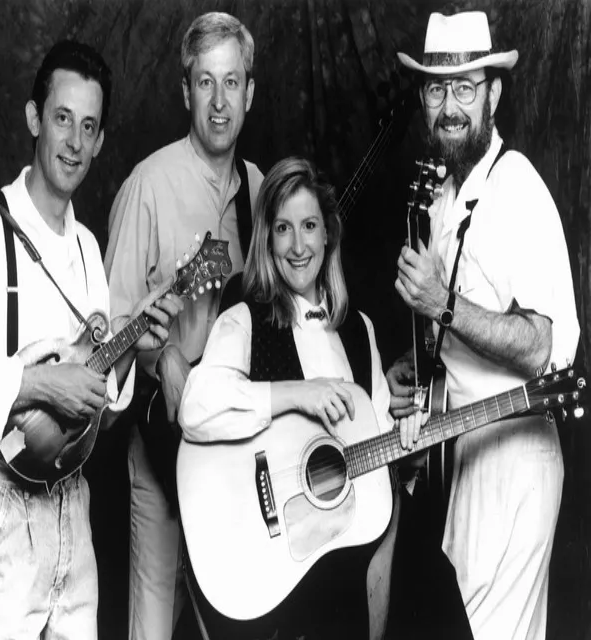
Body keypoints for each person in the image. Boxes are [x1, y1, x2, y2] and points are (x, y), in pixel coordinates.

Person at [177, 156, 473, 640]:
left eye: (309, 226)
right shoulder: (245, 320)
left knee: (432, 574)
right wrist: (300, 394)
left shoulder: (359, 332)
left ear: (328, 235)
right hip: (276, 571)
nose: (298, 246)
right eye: (283, 228)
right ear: (267, 240)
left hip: (342, 564)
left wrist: (408, 444)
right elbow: (195, 407)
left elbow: (377, 450)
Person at [0, 40, 182, 639]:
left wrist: (134, 342)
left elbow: (95, 409)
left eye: (89, 126)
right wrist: (37, 383)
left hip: (73, 512)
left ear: (101, 140)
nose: (75, 143)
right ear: (34, 119)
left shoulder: (87, 250)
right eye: (62, 119)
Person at [389, 11, 580, 640]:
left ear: (493, 95)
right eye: (438, 89)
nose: (451, 106)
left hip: (515, 456)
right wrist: (413, 374)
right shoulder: (444, 194)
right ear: (423, 99)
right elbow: (448, 343)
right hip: (461, 450)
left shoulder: (517, 188)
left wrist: (442, 302)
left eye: (466, 88)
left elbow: (540, 345)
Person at [103, 11, 264, 640]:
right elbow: (105, 330)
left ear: (249, 92)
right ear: (185, 90)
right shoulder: (148, 185)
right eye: (205, 83)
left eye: (232, 83)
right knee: (154, 618)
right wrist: (162, 357)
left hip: (233, 452)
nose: (219, 103)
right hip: (162, 442)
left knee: (229, 615)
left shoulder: (259, 191)